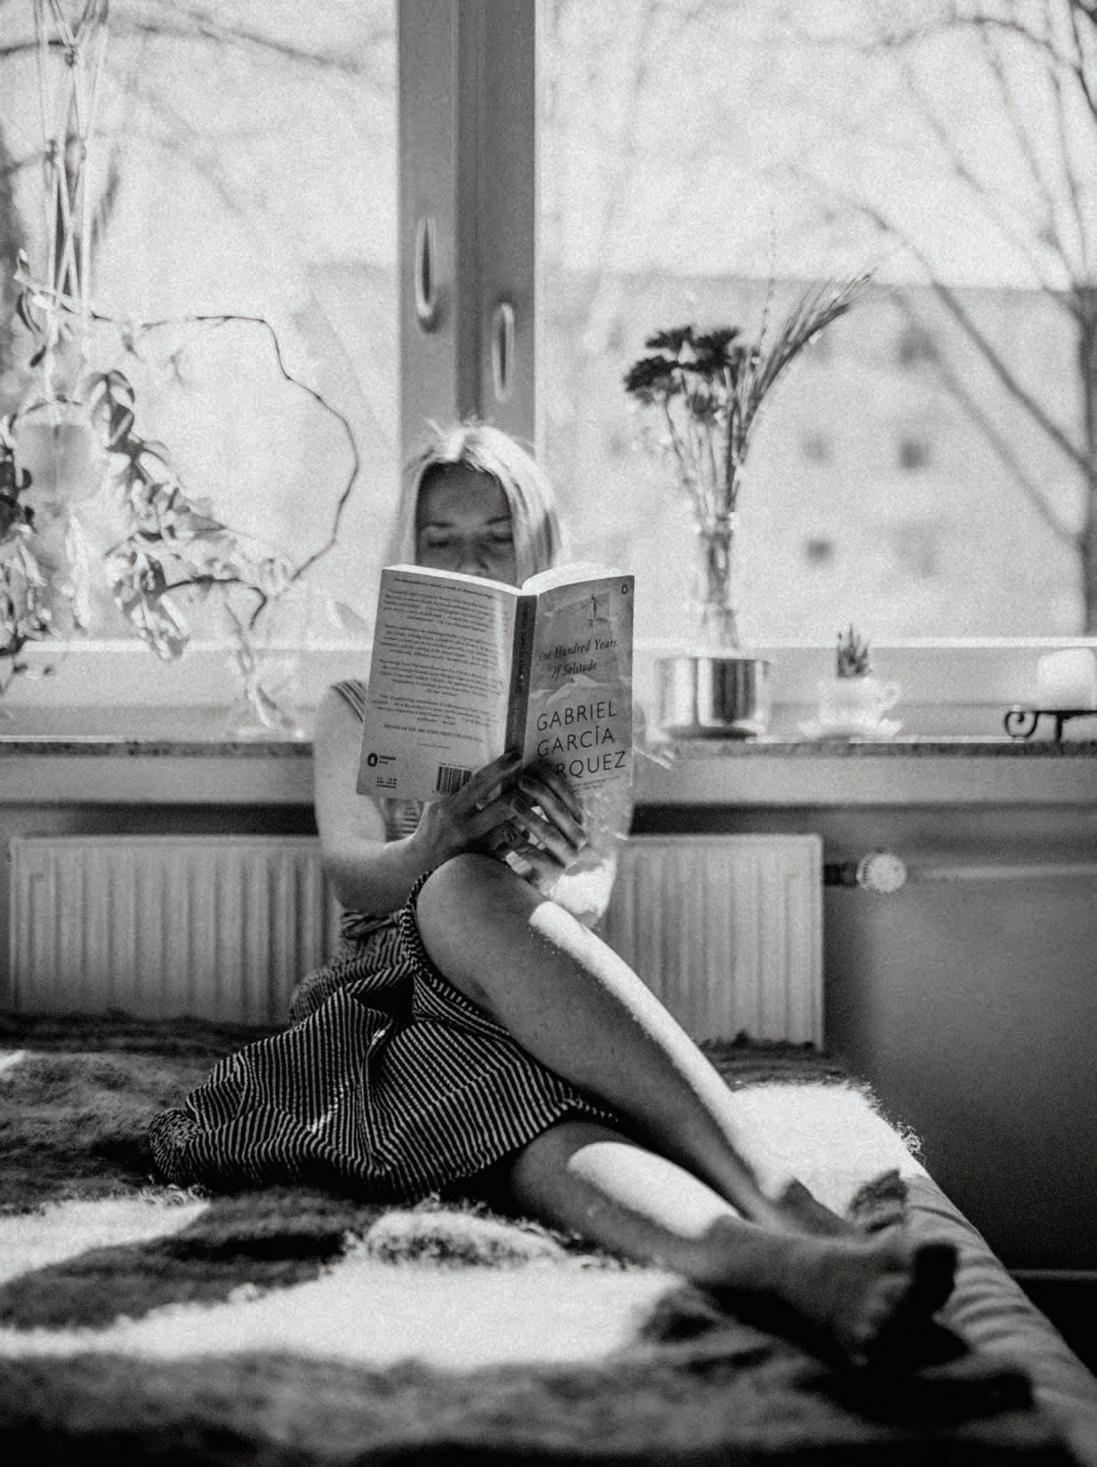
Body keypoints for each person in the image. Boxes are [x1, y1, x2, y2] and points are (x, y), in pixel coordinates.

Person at [150, 420, 956, 1368]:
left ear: (536, 549)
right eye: (441, 540)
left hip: (527, 988)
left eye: (496, 538)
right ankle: (787, 1249)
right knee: (472, 953)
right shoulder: (352, 708)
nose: (469, 559)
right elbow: (350, 871)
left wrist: (539, 872)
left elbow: (585, 903)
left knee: (498, 1012)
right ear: (410, 552)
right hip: (387, 1000)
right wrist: (436, 845)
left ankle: (794, 1234)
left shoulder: (595, 716)